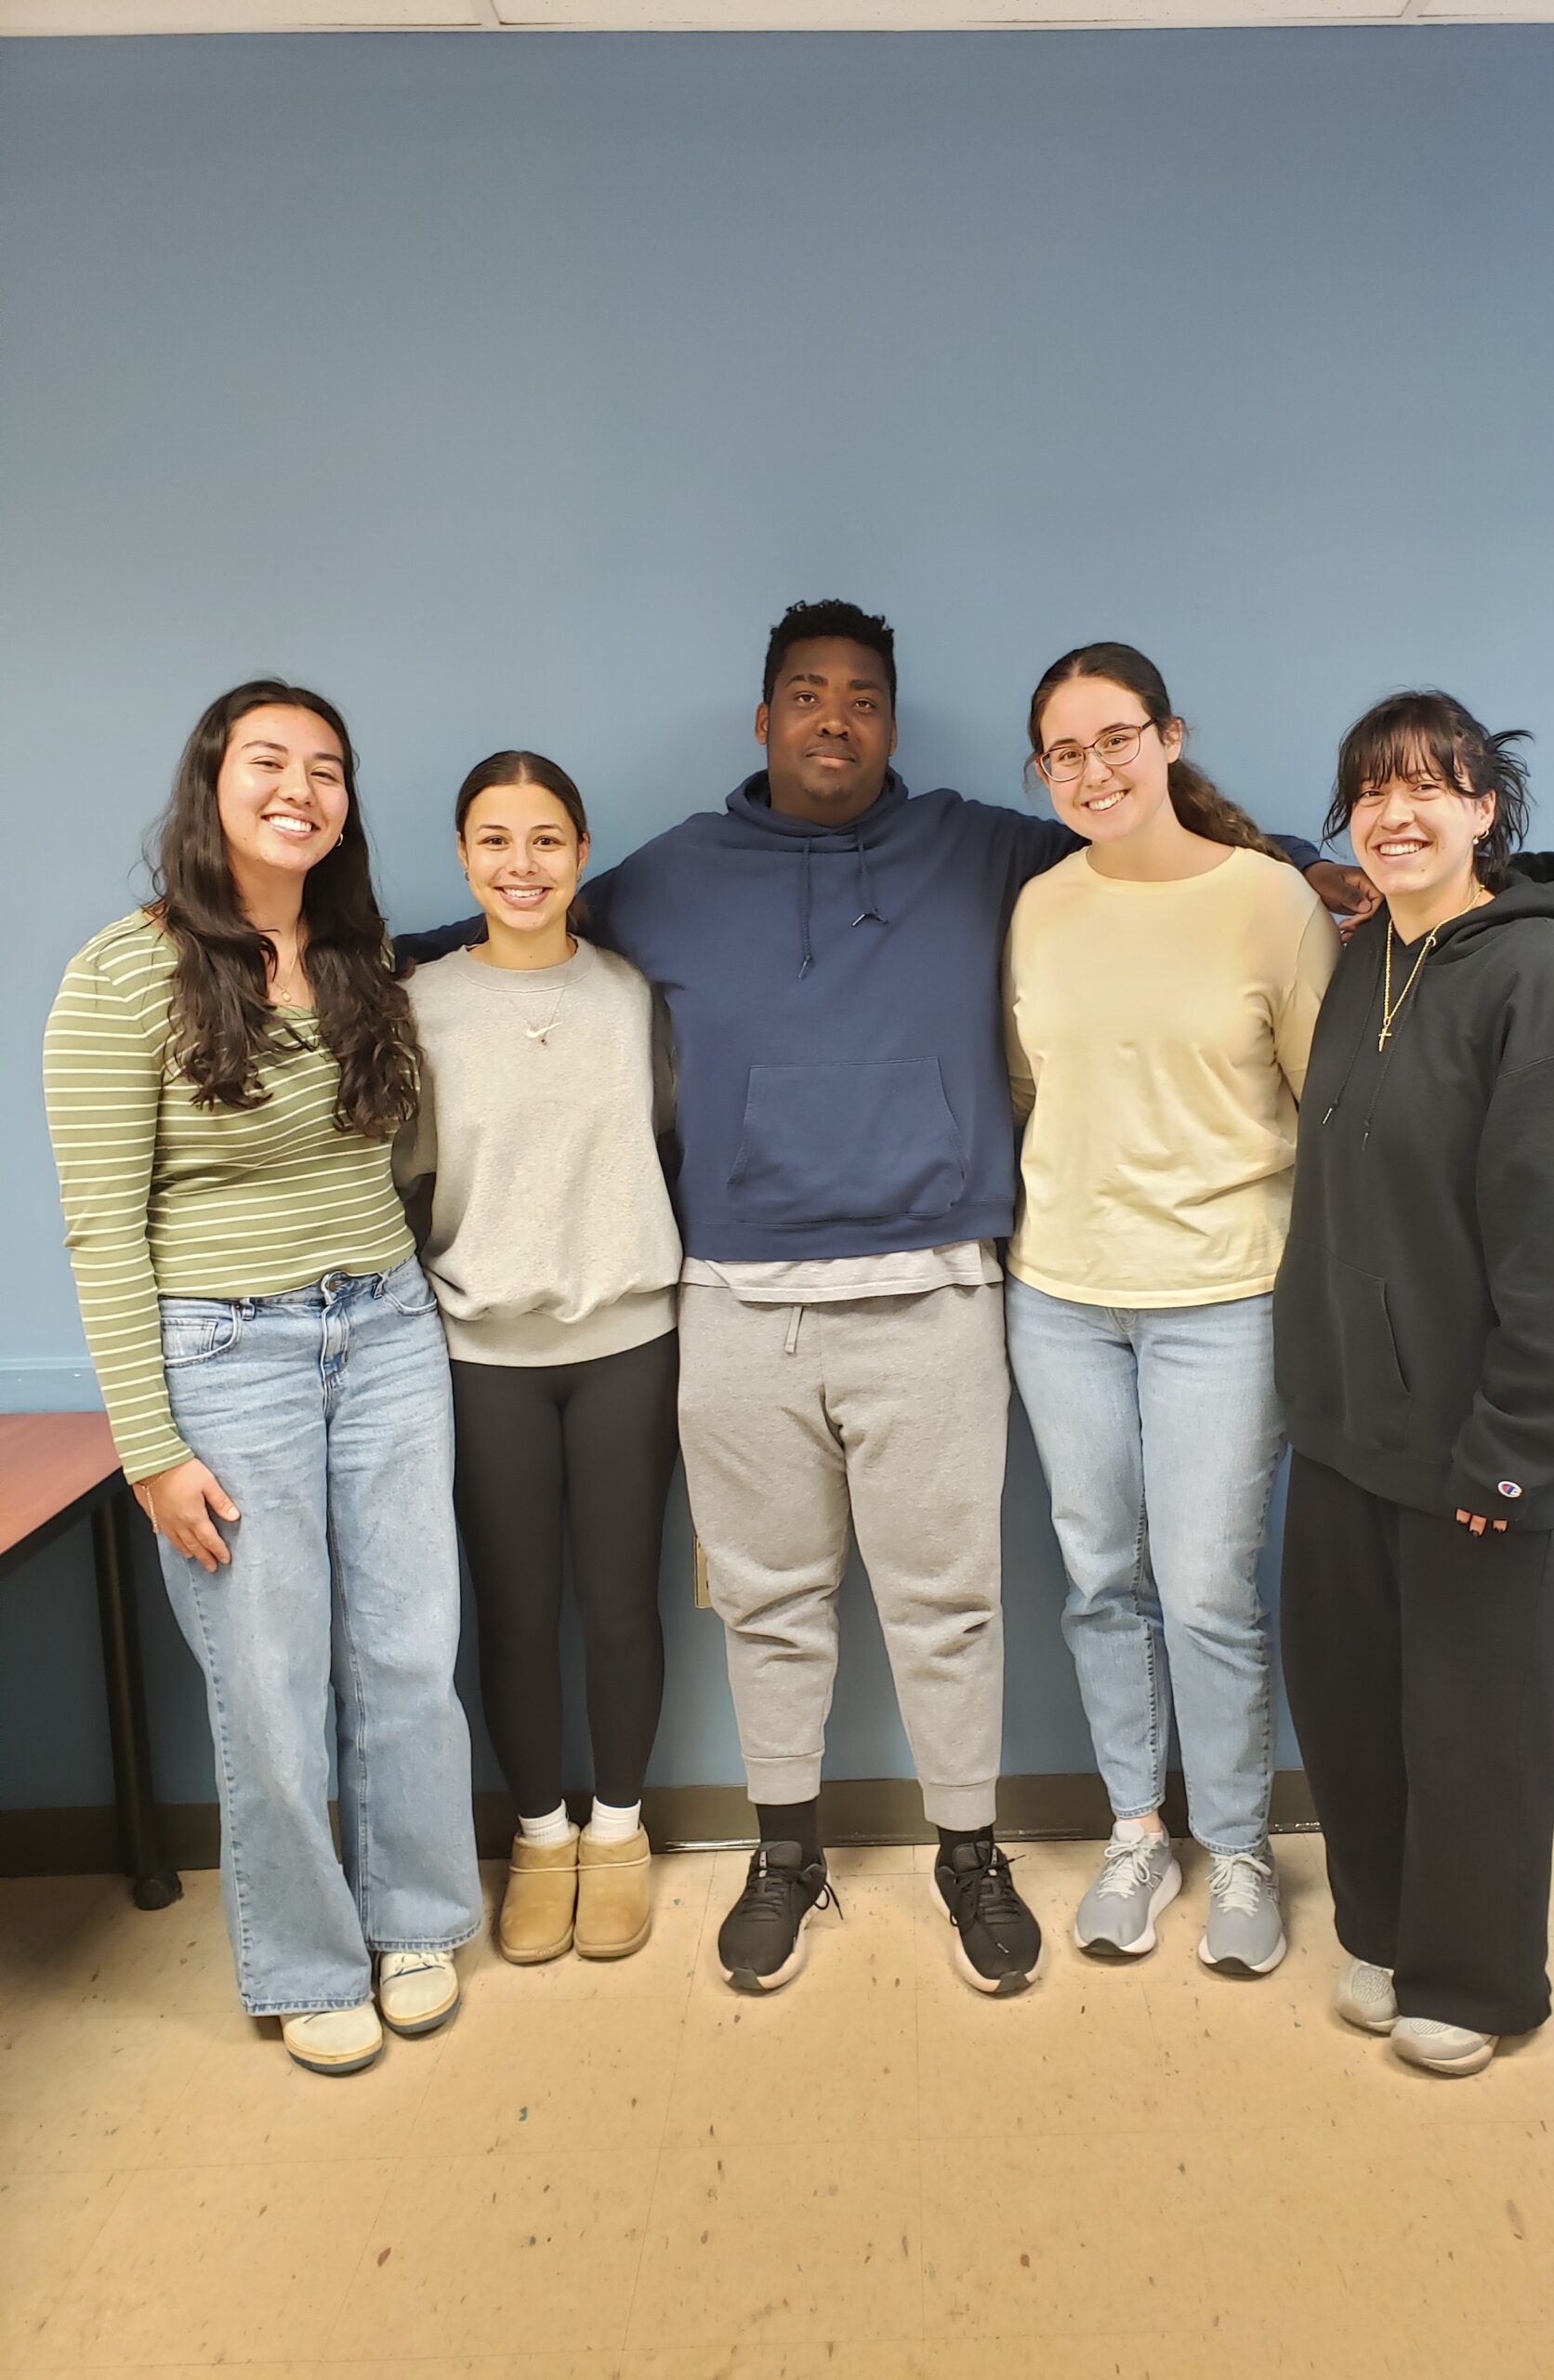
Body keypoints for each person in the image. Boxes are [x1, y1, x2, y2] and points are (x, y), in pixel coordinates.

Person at [402, 600, 1369, 1997]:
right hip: (736, 1299)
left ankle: (966, 1853)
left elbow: (1153, 863)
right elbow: (518, 925)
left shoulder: (988, 853)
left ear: (894, 723)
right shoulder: (671, 873)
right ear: (765, 719)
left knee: (948, 1604)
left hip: (937, 1294)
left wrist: (1321, 872)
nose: (835, 719)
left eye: (862, 697)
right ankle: (783, 1852)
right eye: (807, 694)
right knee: (771, 1603)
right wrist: (331, 949)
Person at [44, 680, 481, 2077]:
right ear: (211, 784)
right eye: (270, 762)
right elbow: (104, 1225)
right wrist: (147, 1446)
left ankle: (415, 1918)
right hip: (226, 1357)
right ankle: (302, 1957)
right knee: (271, 1676)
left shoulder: (364, 962)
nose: (301, 787)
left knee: (410, 1651)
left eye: (329, 768)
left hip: (392, 1335)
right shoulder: (123, 971)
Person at [1273, 689, 1554, 2077]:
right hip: (1349, 1434)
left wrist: (1516, 1454)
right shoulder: (1369, 960)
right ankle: (1382, 1935)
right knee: (1355, 1710)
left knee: (1476, 1732)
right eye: (1372, 790)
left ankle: (1478, 1982)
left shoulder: (1548, 988)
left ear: (1490, 810)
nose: (1399, 812)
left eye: (1433, 785)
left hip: (1484, 1452)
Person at [1003, 643, 1340, 1973]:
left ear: (1170, 739)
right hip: (1063, 1297)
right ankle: (1139, 1831)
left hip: (1224, 1297)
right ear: (1044, 771)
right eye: (1064, 753)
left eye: (1115, 739)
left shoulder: (1272, 901)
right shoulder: (1037, 907)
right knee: (1100, 1578)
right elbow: (1034, 1092)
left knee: (1205, 1592)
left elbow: (1326, 1107)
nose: (1092, 771)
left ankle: (1244, 1851)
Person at [396, 753, 681, 1965]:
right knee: (513, 1614)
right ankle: (538, 1838)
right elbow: (400, 1178)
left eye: (549, 839)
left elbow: (671, 1142)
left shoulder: (636, 993)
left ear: (581, 853)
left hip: (630, 1341)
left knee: (621, 1606)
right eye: (497, 840)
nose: (523, 864)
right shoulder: (415, 1002)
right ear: (463, 857)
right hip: (481, 1351)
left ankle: (618, 1835)